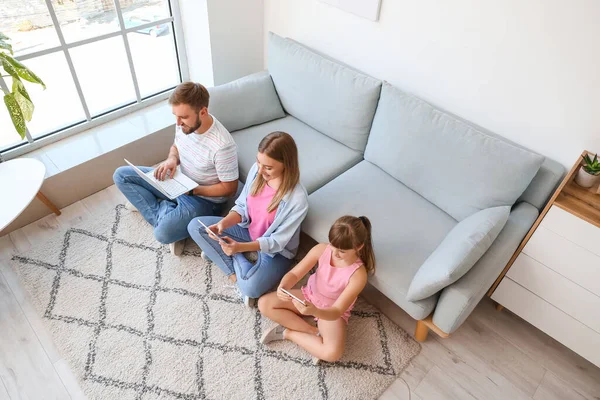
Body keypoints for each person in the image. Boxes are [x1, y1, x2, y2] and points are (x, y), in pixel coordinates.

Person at [113, 82, 239, 255]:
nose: (178, 122)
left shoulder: (222, 145)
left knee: (162, 234)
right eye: (175, 116)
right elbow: (177, 146)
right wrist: (171, 159)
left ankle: (158, 210)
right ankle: (167, 212)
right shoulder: (184, 124)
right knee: (121, 175)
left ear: (203, 111)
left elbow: (230, 189)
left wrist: (193, 191)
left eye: (183, 117)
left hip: (202, 199)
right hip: (179, 180)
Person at [187, 131, 308, 307]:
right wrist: (223, 223)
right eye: (259, 162)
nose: (260, 169)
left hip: (275, 251)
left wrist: (239, 248)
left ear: (286, 165)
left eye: (268, 167)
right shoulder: (256, 171)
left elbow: (276, 242)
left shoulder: (297, 199)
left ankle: (232, 256)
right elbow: (242, 207)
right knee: (195, 227)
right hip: (247, 230)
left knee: (251, 288)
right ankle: (234, 272)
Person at [258, 216, 376, 363]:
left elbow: (337, 311)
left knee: (332, 354)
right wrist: (284, 286)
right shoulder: (321, 249)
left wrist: (314, 311)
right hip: (309, 295)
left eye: (342, 251)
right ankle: (313, 332)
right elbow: (295, 274)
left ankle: (287, 333)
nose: (334, 253)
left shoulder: (358, 275)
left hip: (331, 312)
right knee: (264, 303)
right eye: (333, 245)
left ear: (358, 247)